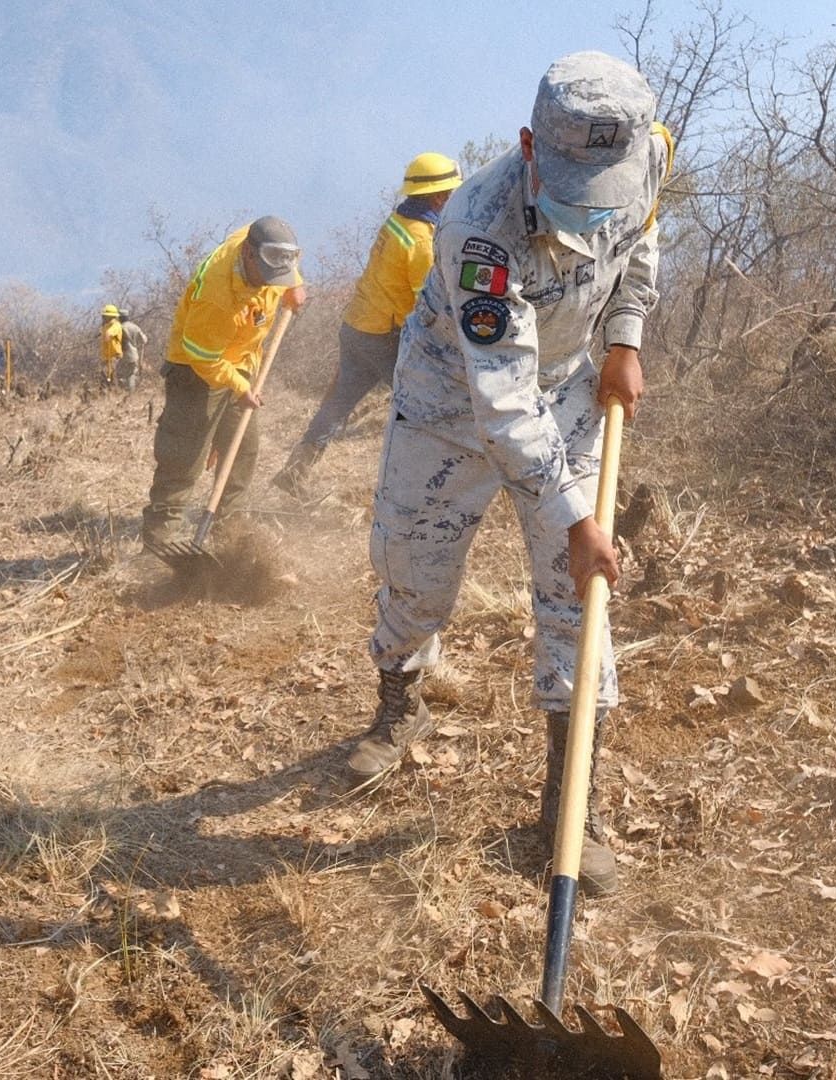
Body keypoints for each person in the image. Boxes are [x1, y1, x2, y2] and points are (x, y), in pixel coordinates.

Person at [350, 52, 674, 895]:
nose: (588, 207)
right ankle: (401, 696)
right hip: (454, 398)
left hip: (567, 388)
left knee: (579, 595)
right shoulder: (477, 228)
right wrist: (574, 518)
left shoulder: (647, 158)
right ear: (529, 144)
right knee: (414, 570)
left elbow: (640, 245)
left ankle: (569, 806)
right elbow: (501, 403)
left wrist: (627, 337)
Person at [271, 152, 463, 499]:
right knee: (420, 404)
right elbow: (430, 303)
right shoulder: (420, 241)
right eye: (450, 192)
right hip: (381, 337)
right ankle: (414, 485)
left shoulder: (398, 222)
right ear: (438, 197)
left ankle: (294, 472)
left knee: (338, 404)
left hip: (357, 326)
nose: (453, 198)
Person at [141, 216, 307, 555]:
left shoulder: (261, 246)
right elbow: (203, 357)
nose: (270, 284)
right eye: (268, 276)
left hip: (240, 361)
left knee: (243, 447)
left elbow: (284, 258)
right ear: (248, 255)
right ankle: (160, 540)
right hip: (196, 368)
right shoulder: (217, 297)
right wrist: (238, 386)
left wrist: (293, 284)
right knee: (184, 457)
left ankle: (229, 526)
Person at [118, 309, 147, 392]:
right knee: (130, 375)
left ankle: (127, 395)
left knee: (121, 375)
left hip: (122, 355)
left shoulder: (119, 327)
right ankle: (129, 394)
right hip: (134, 355)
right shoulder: (135, 327)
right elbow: (144, 340)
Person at [99, 304, 125, 388]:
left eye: (104, 316)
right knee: (110, 376)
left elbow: (109, 333)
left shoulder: (116, 325)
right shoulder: (105, 326)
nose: (103, 317)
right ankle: (113, 393)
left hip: (114, 355)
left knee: (105, 373)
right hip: (106, 356)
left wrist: (106, 335)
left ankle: (106, 393)